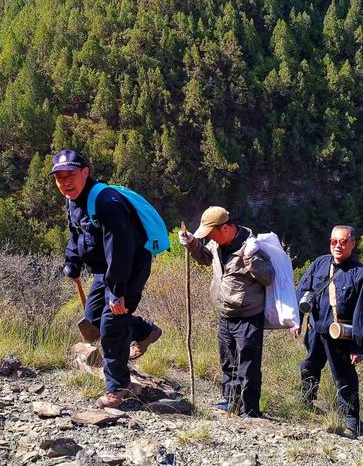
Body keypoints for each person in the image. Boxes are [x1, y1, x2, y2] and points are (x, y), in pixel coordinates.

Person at [51, 149, 162, 408]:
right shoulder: (74, 200)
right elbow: (76, 234)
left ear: (85, 172)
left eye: (71, 175)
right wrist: (72, 262)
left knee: (111, 327)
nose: (65, 182)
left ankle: (118, 387)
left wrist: (117, 291)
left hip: (129, 267)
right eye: (59, 177)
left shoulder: (107, 203)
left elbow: (120, 250)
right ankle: (144, 331)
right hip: (106, 269)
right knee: (92, 320)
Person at [179, 206, 274, 419]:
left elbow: (268, 277)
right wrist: (193, 244)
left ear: (225, 228)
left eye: (211, 233)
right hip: (225, 314)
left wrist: (251, 259)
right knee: (228, 360)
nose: (209, 238)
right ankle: (231, 401)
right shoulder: (216, 244)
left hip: (248, 315)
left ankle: (249, 410)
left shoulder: (252, 247)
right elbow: (205, 258)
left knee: (248, 363)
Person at [295, 225, 363, 438]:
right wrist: (298, 320)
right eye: (333, 241)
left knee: (344, 378)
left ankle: (351, 422)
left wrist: (360, 346)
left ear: (352, 244)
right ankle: (306, 403)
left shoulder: (361, 275)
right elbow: (303, 290)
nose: (337, 246)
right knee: (309, 365)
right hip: (315, 330)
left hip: (339, 336)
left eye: (343, 242)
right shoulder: (320, 263)